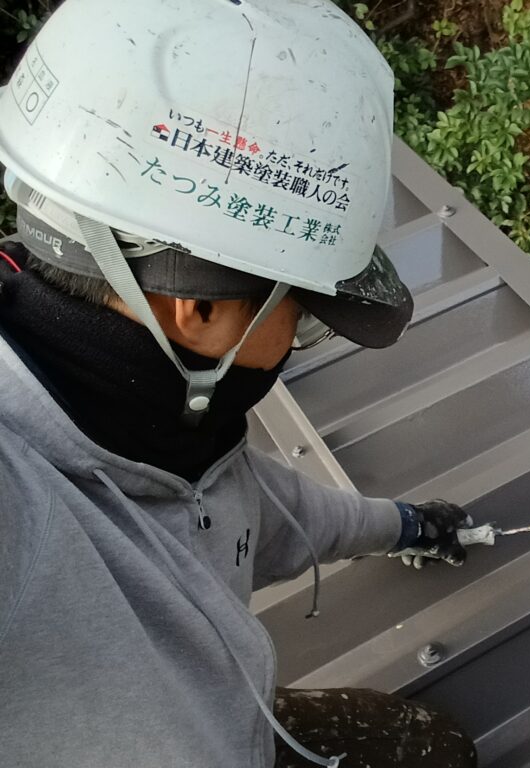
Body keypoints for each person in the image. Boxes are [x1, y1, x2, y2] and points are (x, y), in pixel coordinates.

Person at [0, 0, 478, 766]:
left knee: (437, 749)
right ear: (200, 310)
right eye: (304, 317)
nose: (299, 341)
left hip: (235, 717)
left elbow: (260, 509)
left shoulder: (169, 430)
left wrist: (408, 526)